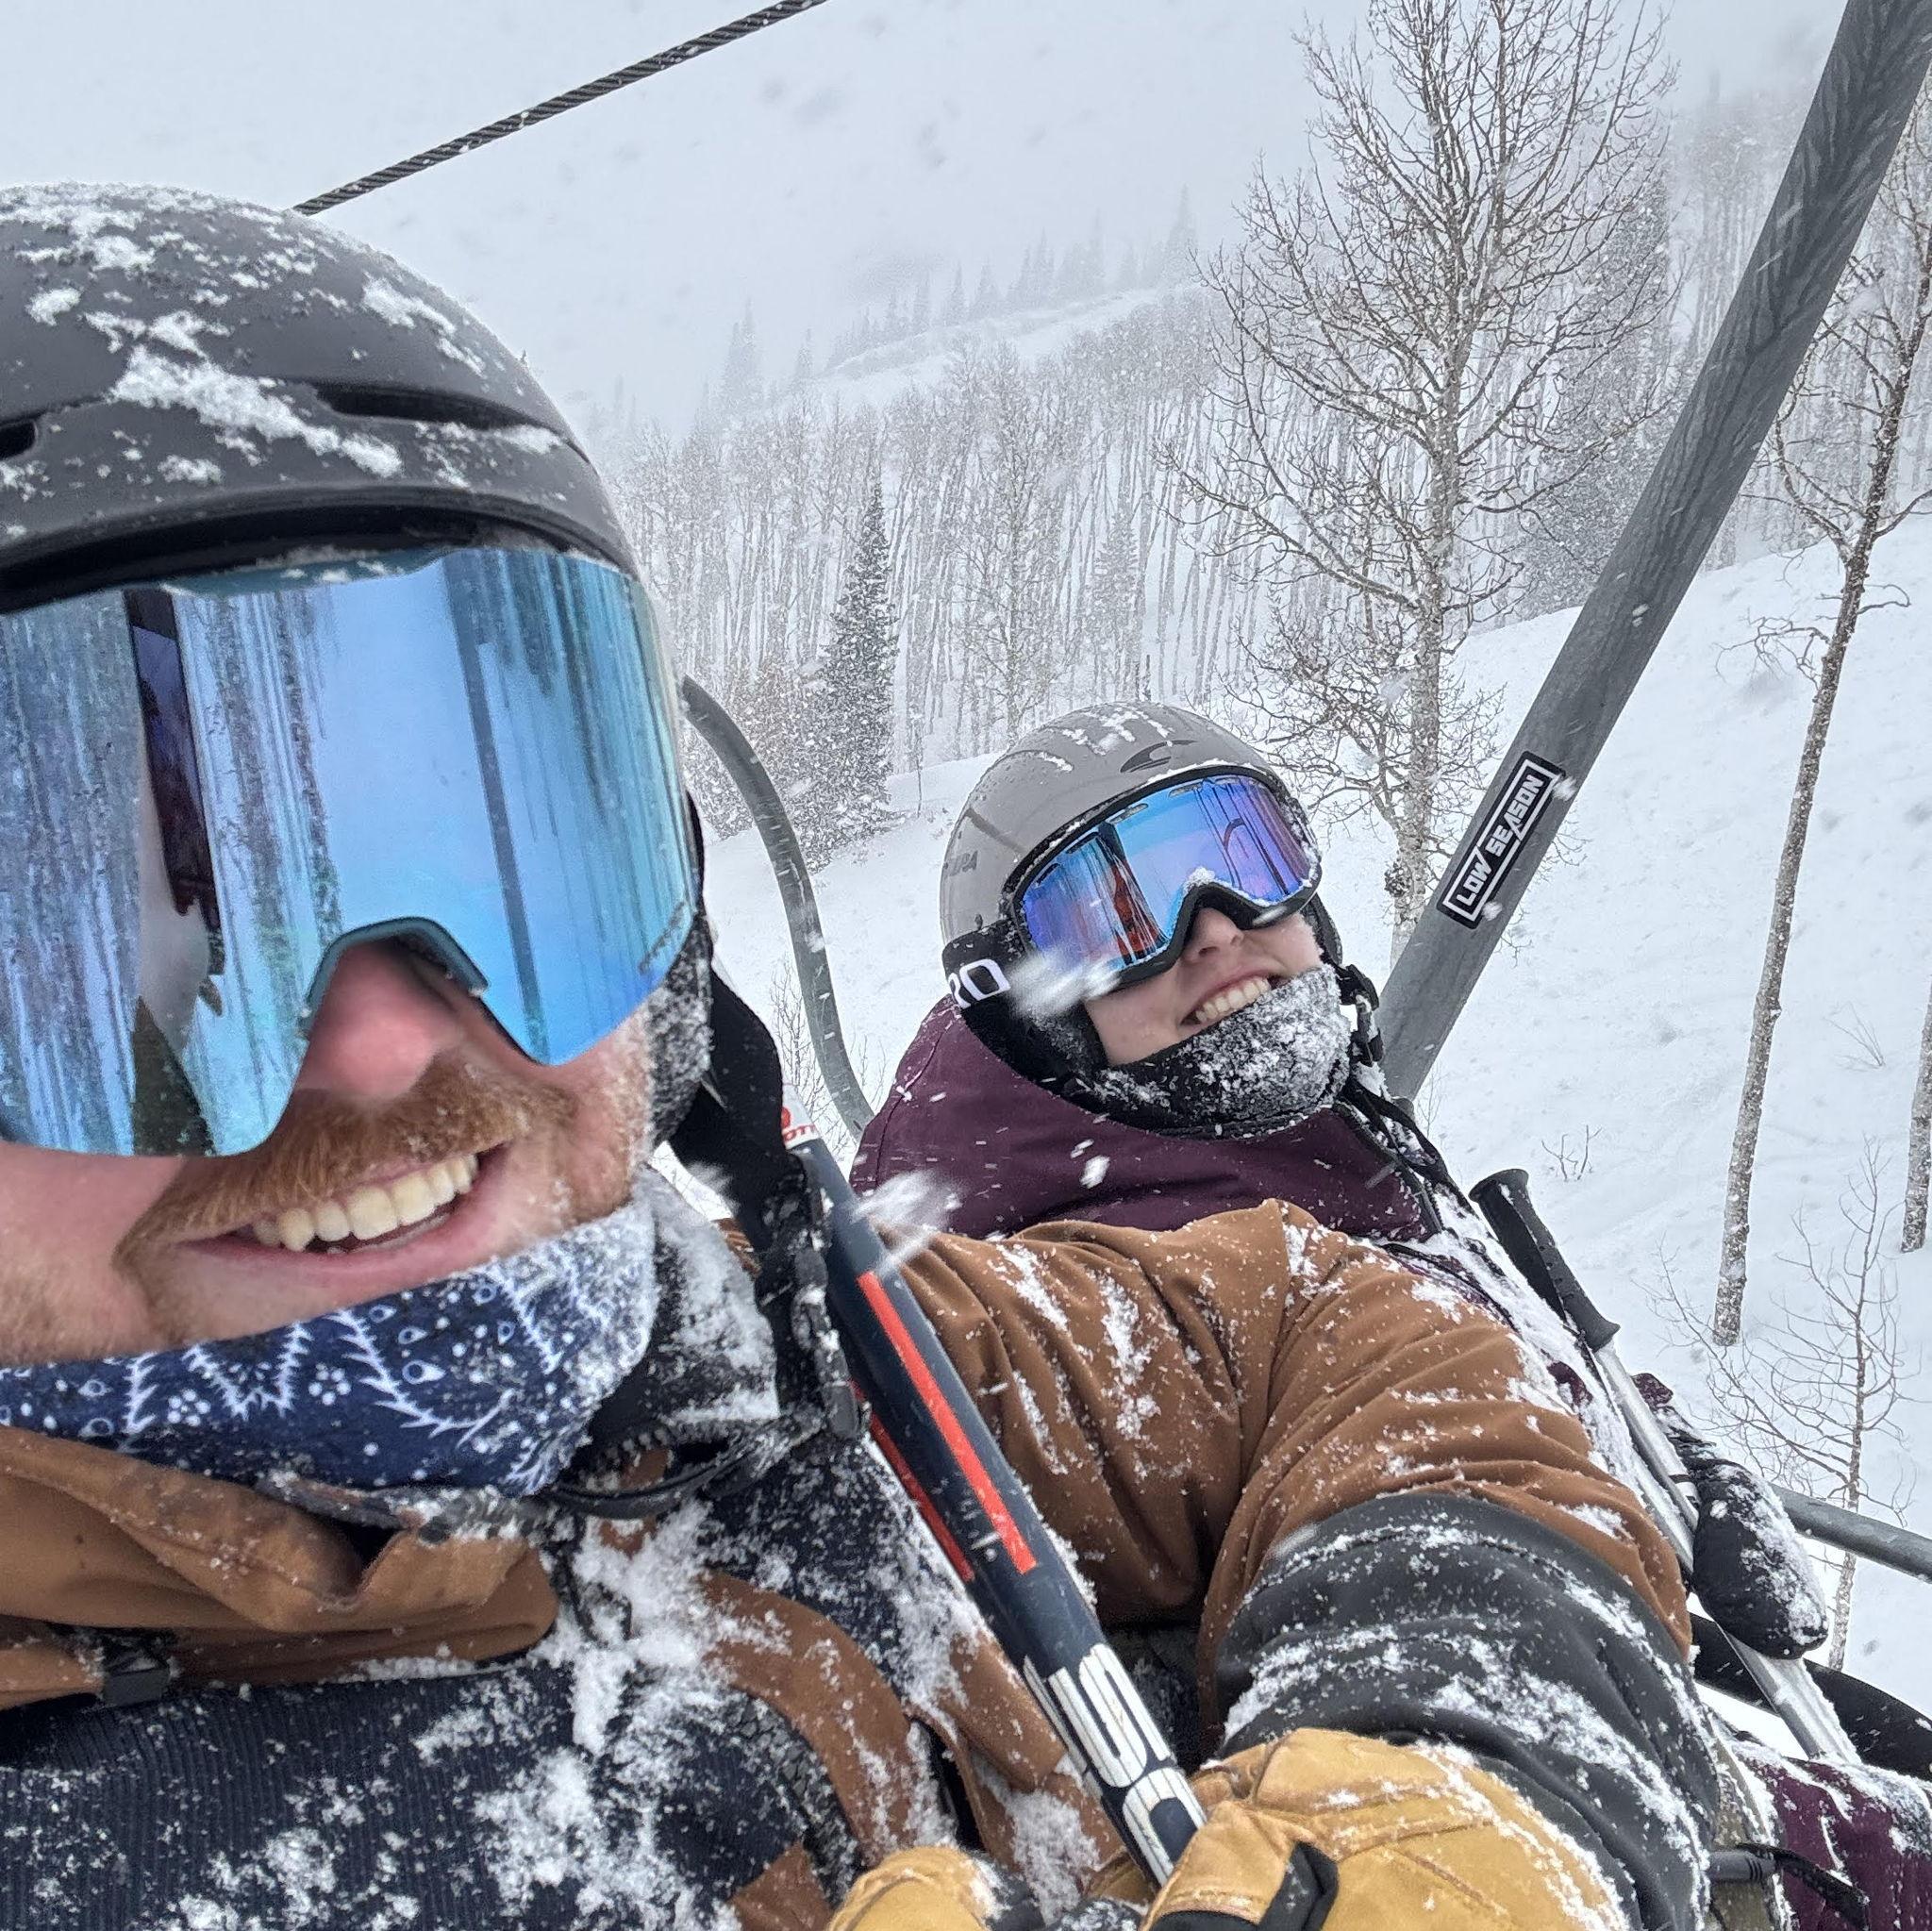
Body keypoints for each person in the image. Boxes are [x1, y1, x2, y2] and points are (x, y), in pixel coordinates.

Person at [0, 188, 1717, 1931]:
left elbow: (1339, 1330)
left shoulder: (760, 1347)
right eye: (88, 957)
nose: (378, 1043)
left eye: (497, 860)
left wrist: (1458, 1770)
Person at [854, 702, 1932, 1930]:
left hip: (1596, 1638)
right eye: (1119, 915)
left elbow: (1446, 1324)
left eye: (1249, 856)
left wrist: (1649, 1446)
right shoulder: (1085, 1255)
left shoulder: (1274, 1117)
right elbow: (1355, 1453)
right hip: (1430, 1766)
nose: (1215, 929)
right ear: (1022, 1002)